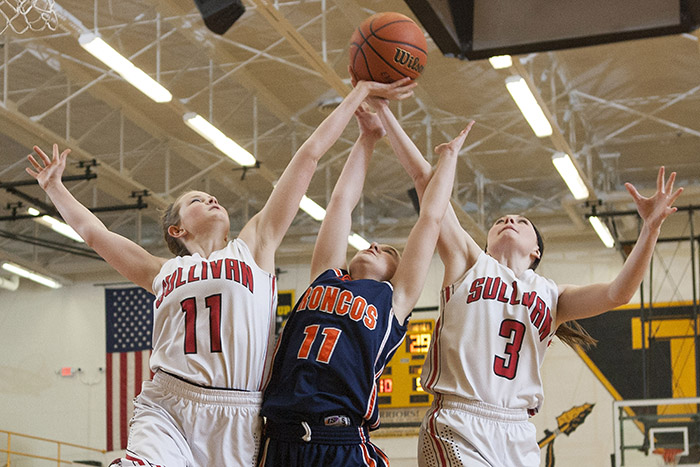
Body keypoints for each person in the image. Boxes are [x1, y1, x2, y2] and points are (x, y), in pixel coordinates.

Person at [24, 77, 417, 467]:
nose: (211, 198)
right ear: (177, 229)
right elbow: (95, 233)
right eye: (196, 199)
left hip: (238, 412)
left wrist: (359, 94)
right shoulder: (161, 271)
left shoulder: (255, 248)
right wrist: (55, 187)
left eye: (212, 196)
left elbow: (309, 156)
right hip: (168, 404)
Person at [368, 97, 683, 466]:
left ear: (536, 250)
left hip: (517, 432)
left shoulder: (553, 295)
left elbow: (619, 293)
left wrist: (650, 230)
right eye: (502, 219)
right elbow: (425, 182)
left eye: (522, 221)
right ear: (486, 238)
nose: (510, 220)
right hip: (458, 421)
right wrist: (385, 112)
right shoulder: (468, 262)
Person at [257, 105, 473, 467]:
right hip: (279, 439)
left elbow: (430, 219)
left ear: (397, 271)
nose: (374, 245)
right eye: (372, 244)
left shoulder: (393, 300)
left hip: (339, 439)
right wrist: (367, 137)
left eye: (387, 251)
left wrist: (449, 160)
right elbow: (341, 203)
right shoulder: (325, 276)